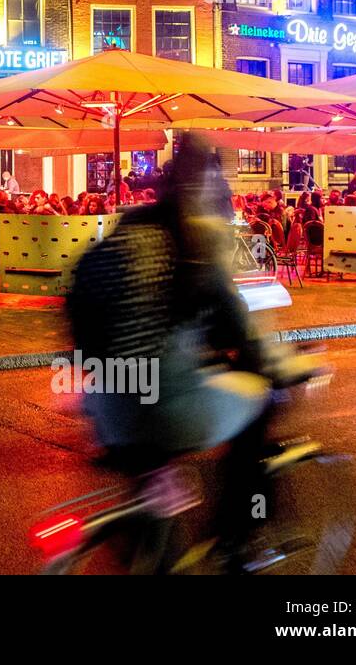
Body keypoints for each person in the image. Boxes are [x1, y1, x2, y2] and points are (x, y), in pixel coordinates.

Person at [67, 132, 308, 567]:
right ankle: (236, 538)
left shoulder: (123, 234)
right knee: (261, 400)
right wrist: (283, 368)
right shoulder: (194, 245)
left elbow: (83, 312)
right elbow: (242, 333)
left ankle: (146, 543)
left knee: (155, 497)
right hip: (163, 408)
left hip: (105, 406)